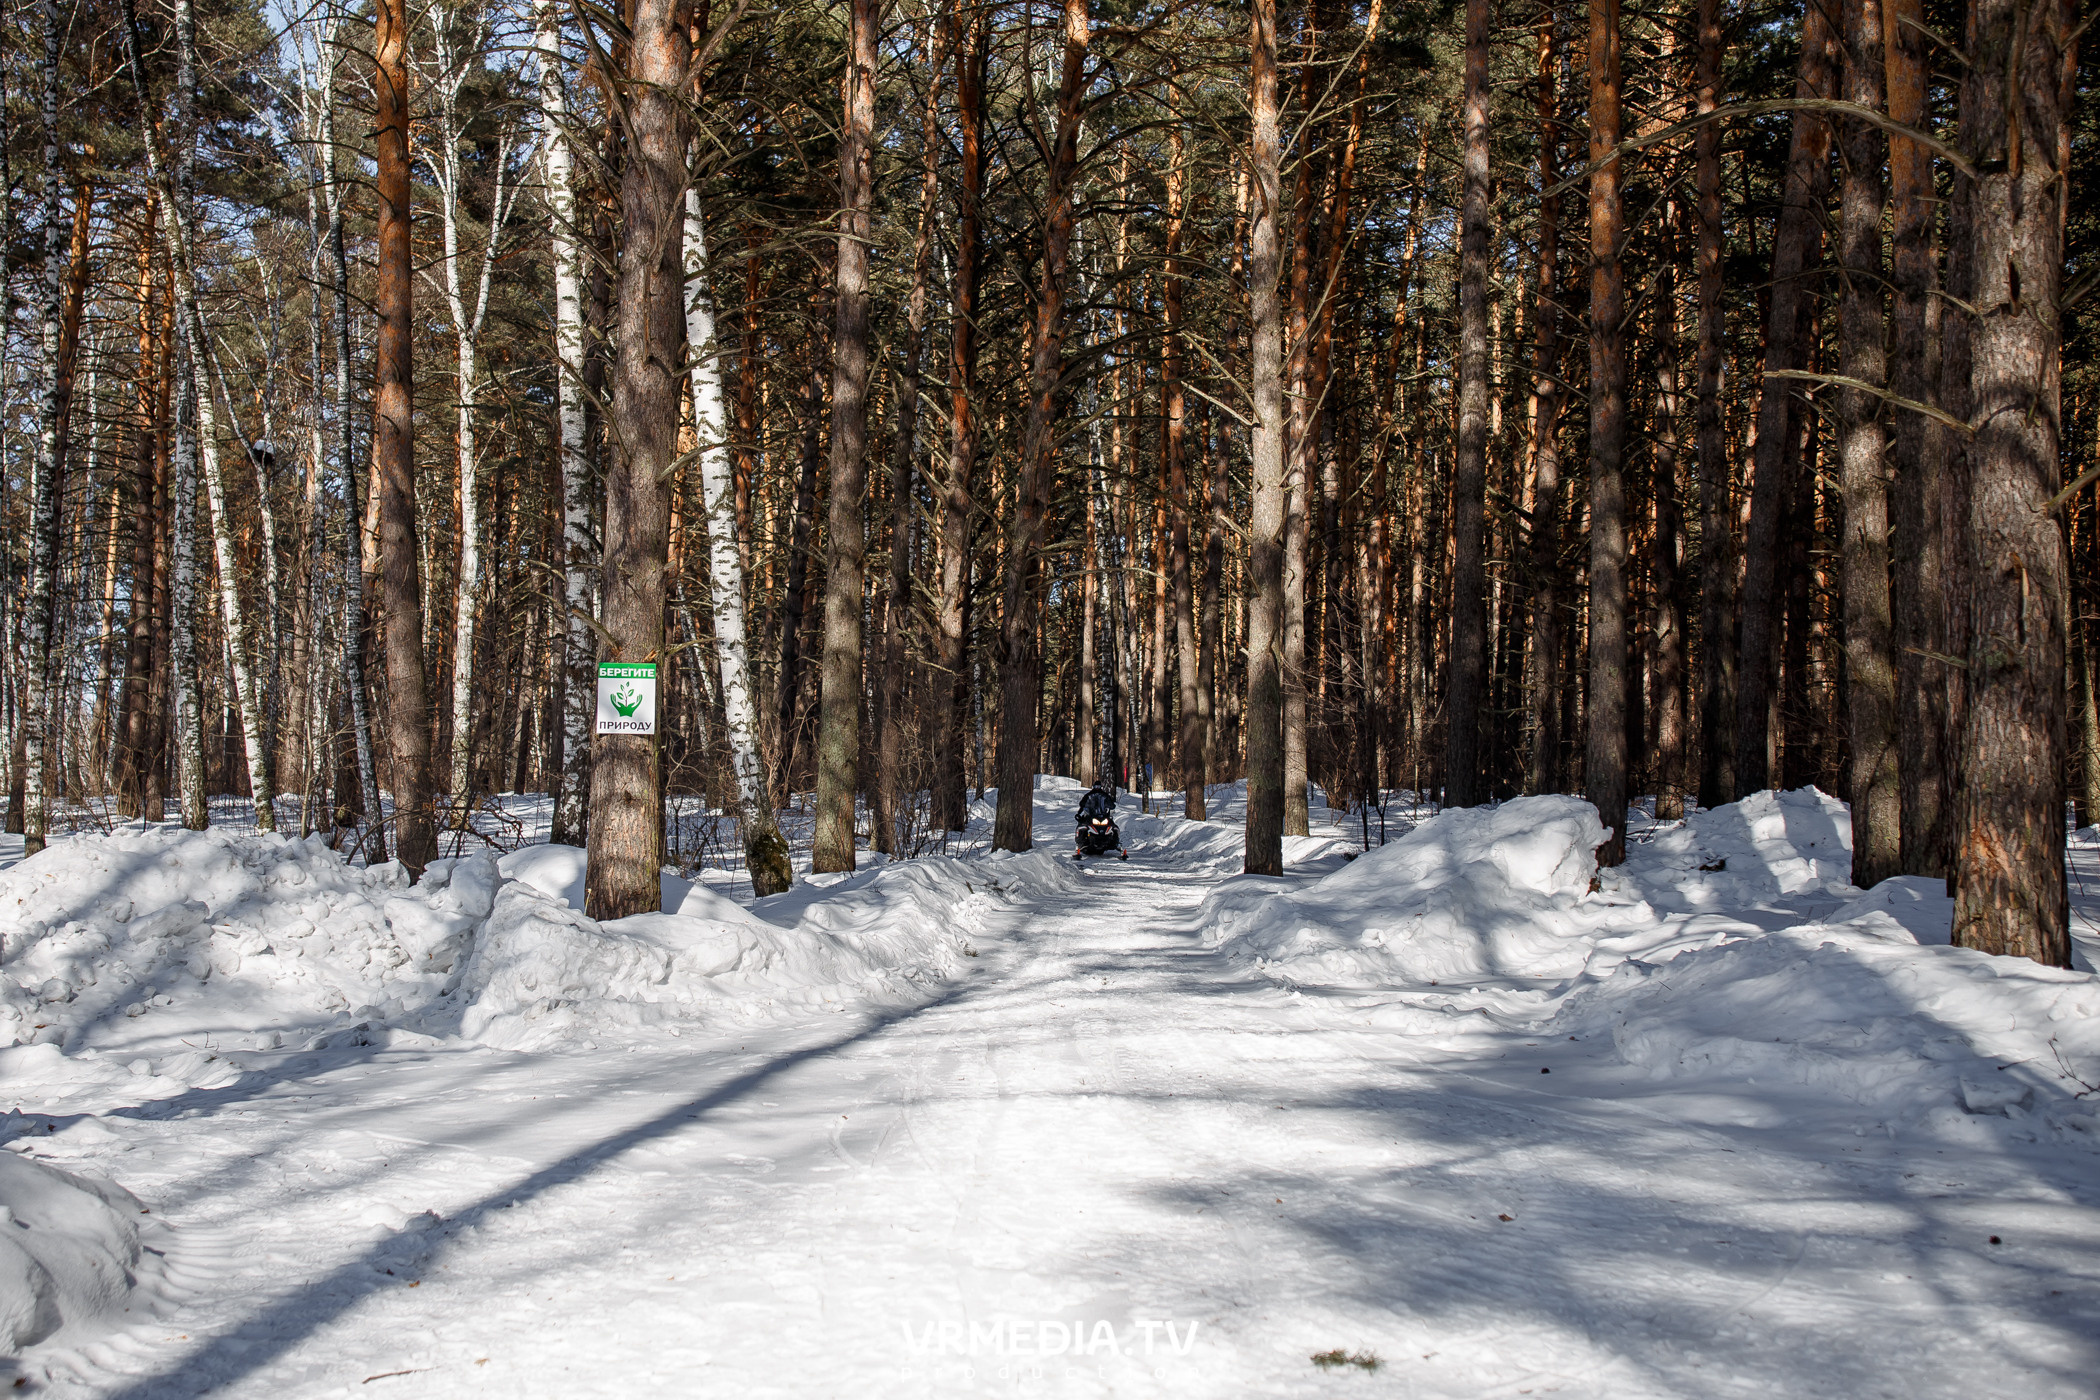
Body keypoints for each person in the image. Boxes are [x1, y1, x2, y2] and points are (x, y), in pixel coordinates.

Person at [1074, 779, 1125, 860]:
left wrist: (1110, 807)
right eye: (1096, 786)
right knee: (1082, 826)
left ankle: (1116, 842)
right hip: (1091, 816)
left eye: (1098, 786)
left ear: (1101, 787)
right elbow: (1083, 803)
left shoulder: (1104, 795)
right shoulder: (1089, 795)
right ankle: (1080, 843)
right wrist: (1081, 811)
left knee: (1114, 827)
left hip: (1102, 816)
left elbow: (1111, 804)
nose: (1097, 788)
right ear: (1093, 786)